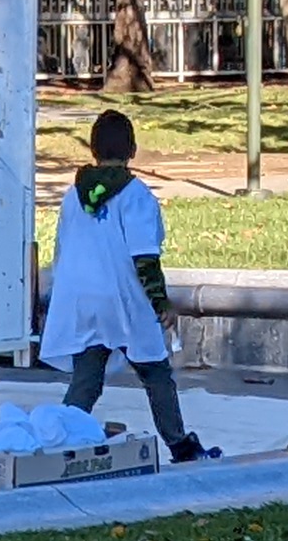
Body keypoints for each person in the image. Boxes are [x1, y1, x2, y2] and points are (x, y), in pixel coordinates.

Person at [39, 111, 214, 462]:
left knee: (87, 377)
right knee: (154, 372)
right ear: (133, 150)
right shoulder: (137, 196)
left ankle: (60, 442)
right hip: (123, 296)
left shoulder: (73, 195)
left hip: (82, 296)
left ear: (92, 149)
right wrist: (161, 301)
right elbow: (144, 257)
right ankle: (179, 444)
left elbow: (62, 247)